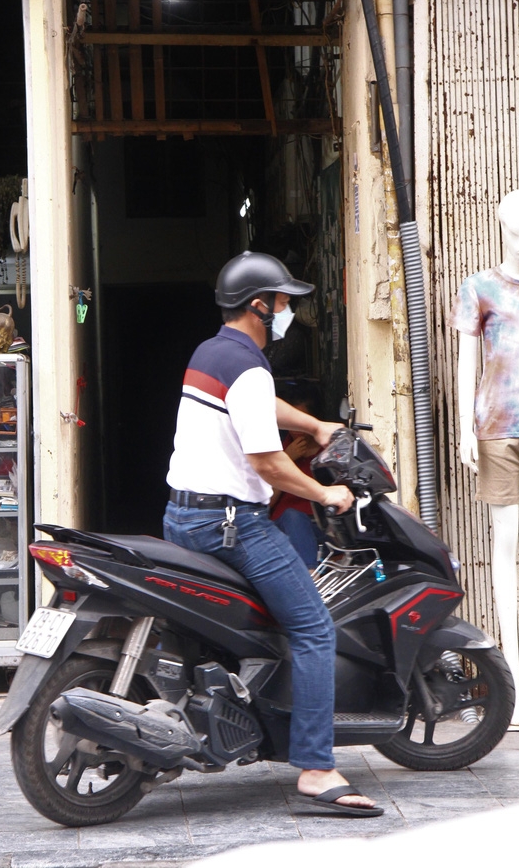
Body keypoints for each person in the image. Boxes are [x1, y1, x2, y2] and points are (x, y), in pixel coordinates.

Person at [164, 250, 384, 816]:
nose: (288, 312)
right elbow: (267, 462)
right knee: (313, 628)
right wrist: (327, 492)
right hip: (230, 524)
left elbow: (259, 408)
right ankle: (315, 766)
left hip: (183, 515)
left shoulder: (213, 354)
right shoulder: (249, 366)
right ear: (259, 305)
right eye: (283, 302)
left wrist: (313, 424)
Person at [449, 188, 519, 728]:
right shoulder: (478, 286)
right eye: (518, 223)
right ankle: (515, 695)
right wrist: (462, 428)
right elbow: (464, 362)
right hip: (497, 429)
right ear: (502, 225)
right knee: (503, 555)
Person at [269, 381, 326, 569]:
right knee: (293, 516)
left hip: (319, 527)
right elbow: (266, 503)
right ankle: (311, 575)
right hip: (283, 525)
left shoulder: (328, 453)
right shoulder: (278, 450)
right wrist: (287, 460)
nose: (296, 430)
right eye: (292, 423)